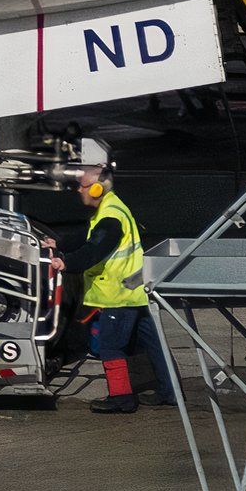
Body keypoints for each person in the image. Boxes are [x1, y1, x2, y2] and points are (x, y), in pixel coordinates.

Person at [71, 140, 173, 415]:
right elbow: (86, 238)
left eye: (81, 184)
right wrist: (57, 244)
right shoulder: (112, 209)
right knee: (154, 345)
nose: (78, 189)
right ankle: (170, 392)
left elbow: (93, 251)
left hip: (118, 295)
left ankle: (122, 399)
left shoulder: (110, 218)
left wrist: (64, 262)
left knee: (110, 346)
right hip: (135, 292)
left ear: (96, 187)